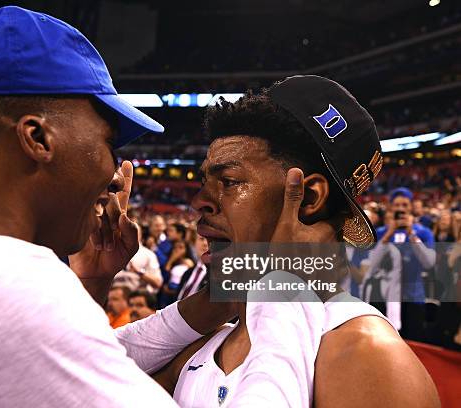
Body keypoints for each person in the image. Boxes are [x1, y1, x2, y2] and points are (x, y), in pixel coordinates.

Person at [0, 7, 235, 407]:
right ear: (38, 139)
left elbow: (73, 360)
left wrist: (93, 284)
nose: (116, 176)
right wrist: (286, 286)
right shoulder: (5, 281)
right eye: (108, 144)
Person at [152, 76, 439, 407]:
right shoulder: (207, 342)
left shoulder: (368, 355)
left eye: (229, 182)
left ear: (308, 198)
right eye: (205, 180)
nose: (199, 202)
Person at [377, 187, 436, 340]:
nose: (401, 209)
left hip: (414, 297)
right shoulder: (381, 232)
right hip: (384, 298)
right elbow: (372, 263)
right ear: (391, 207)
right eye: (397, 205)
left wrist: (411, 234)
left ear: (411, 207)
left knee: (414, 344)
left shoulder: (423, 232)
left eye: (405, 205)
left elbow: (429, 262)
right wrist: (389, 233)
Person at [112, 216, 163, 294]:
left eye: (133, 232)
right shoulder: (112, 252)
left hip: (136, 296)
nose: (129, 235)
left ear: (140, 234)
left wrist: (139, 272)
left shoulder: (148, 254)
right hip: (112, 295)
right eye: (125, 231)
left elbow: (158, 283)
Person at [177, 234, 209, 300]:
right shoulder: (187, 273)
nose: (205, 243)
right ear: (194, 243)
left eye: (210, 240)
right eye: (201, 239)